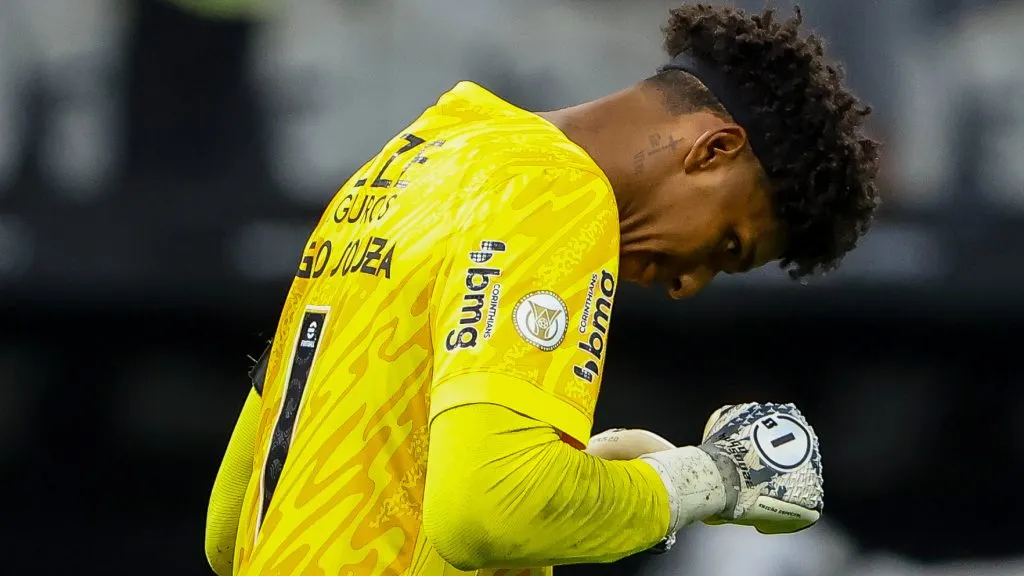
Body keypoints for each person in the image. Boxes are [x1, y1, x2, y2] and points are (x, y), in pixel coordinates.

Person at [204, 4, 879, 575]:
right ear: (712, 150)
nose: (686, 284)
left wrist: (578, 473)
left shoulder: (412, 160)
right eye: (727, 245)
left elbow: (233, 517)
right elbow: (485, 512)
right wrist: (712, 481)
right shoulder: (557, 193)